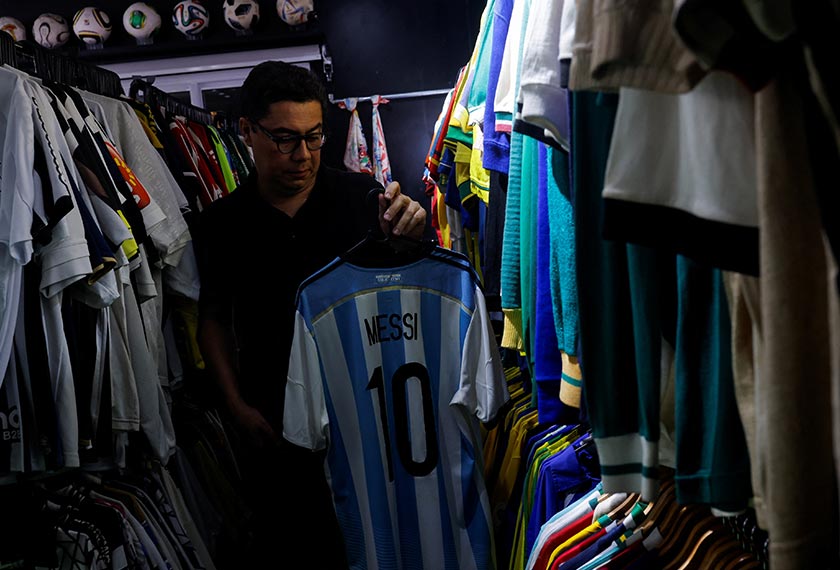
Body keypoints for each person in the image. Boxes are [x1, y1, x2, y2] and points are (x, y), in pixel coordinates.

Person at [196, 60, 427, 568]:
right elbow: (211, 319)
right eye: (283, 138)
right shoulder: (220, 224)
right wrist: (236, 407)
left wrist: (416, 227)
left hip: (369, 417)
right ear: (246, 131)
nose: (302, 155)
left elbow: (415, 284)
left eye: (315, 137)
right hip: (273, 426)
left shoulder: (362, 198)